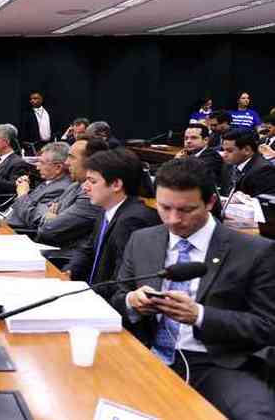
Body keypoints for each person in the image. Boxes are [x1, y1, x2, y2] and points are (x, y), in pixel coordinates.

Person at [111, 158, 275, 419]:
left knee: (258, 414)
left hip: (216, 363)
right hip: (147, 354)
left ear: (210, 203)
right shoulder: (142, 240)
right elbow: (117, 297)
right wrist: (132, 301)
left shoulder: (255, 252)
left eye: (186, 210)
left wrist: (199, 315)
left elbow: (266, 327)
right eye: (165, 208)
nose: (174, 220)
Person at [65, 148, 159, 293]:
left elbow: (121, 280)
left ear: (116, 185)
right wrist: (70, 271)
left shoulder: (133, 220)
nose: (85, 188)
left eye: (92, 181)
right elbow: (88, 249)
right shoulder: (106, 208)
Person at [34, 138, 108, 263]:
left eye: (72, 157)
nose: (67, 162)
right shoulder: (74, 186)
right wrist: (51, 216)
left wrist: (52, 217)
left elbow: (48, 231)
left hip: (66, 259)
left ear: (91, 162)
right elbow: (44, 209)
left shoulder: (89, 195)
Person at [5, 142, 71, 228]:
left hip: (16, 230)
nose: (37, 167)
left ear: (58, 167)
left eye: (42, 163)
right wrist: (23, 187)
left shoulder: (60, 189)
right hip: (7, 219)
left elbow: (34, 219)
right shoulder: (50, 181)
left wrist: (22, 194)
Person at [220, 128, 275, 198]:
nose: (224, 154)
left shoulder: (263, 170)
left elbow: (262, 204)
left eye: (229, 151)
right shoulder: (229, 165)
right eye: (223, 150)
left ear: (247, 150)